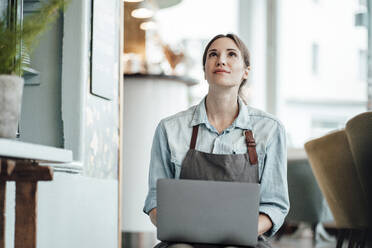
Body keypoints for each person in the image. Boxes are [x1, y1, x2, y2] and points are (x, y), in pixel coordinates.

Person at [143, 33, 290, 248]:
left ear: (245, 71)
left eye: (231, 54)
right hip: (184, 242)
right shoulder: (169, 128)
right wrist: (177, 227)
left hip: (242, 242)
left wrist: (237, 232)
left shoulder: (270, 129)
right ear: (204, 70)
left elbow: (274, 205)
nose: (221, 60)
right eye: (213, 54)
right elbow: (155, 201)